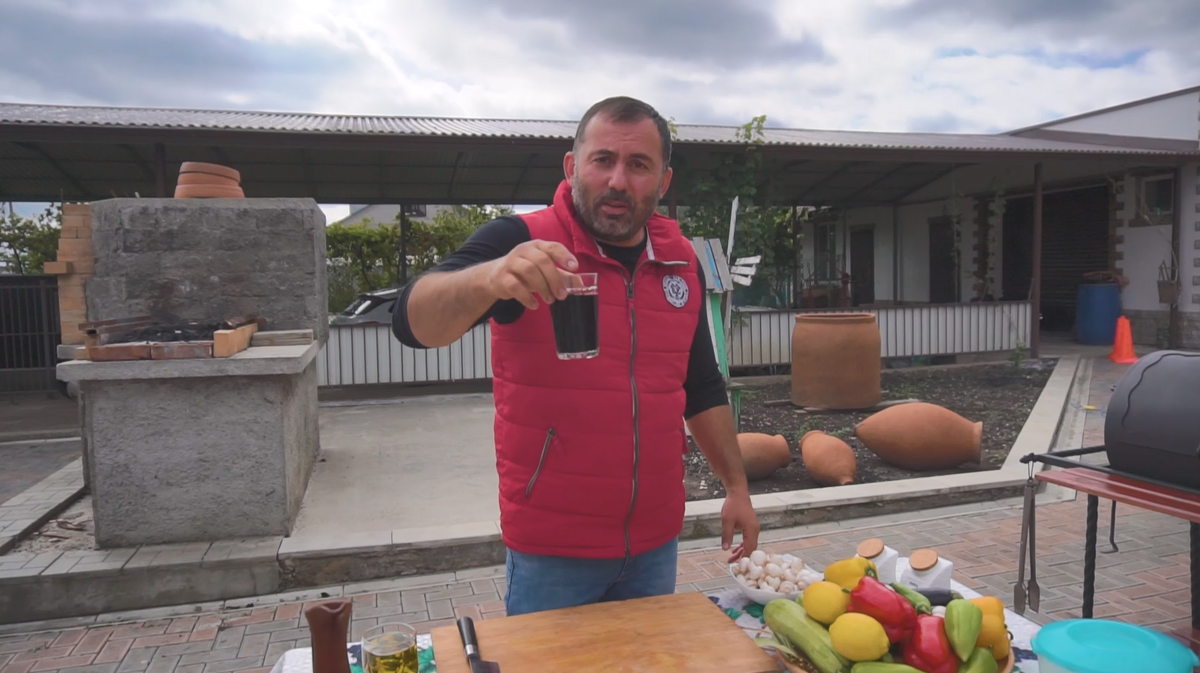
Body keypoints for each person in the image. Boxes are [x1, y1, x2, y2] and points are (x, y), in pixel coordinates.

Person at [392, 96, 760, 616]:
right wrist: (489, 278)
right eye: (602, 160)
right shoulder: (521, 242)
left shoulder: (679, 261)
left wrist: (737, 487)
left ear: (663, 182)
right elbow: (412, 324)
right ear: (572, 166)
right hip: (553, 551)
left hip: (655, 541)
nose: (617, 181)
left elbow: (700, 384)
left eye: (638, 165)